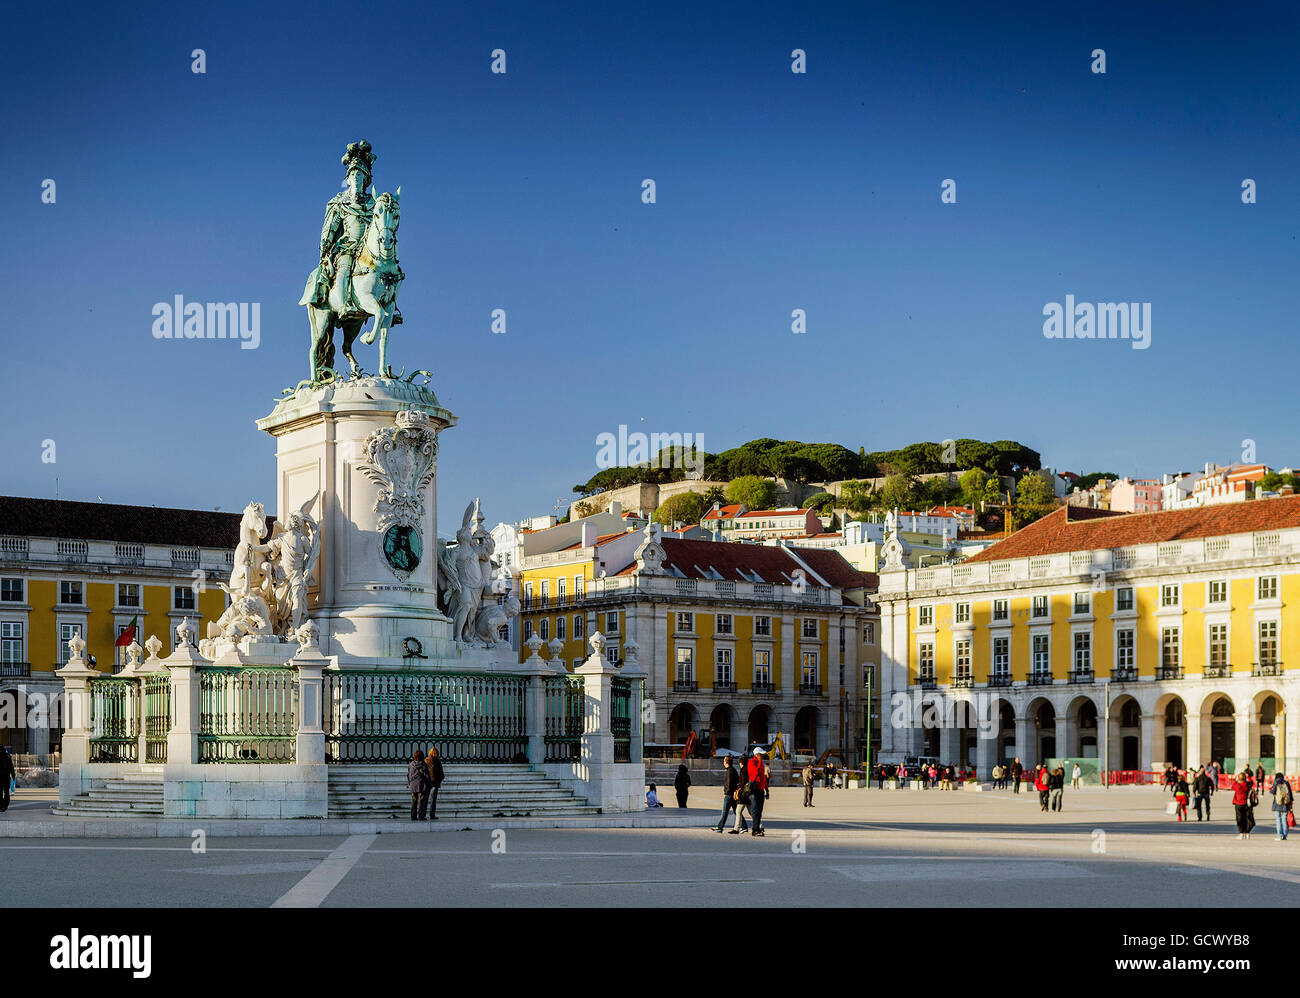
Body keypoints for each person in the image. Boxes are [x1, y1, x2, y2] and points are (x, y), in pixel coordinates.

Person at [715, 756, 742, 832]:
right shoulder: (731, 770)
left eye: (724, 761)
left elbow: (729, 783)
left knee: (724, 812)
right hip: (732, 794)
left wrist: (726, 792)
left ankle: (720, 827)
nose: (723, 762)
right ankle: (744, 826)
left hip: (729, 795)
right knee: (737, 811)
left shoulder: (730, 771)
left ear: (726, 762)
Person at [747, 748, 769, 836]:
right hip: (754, 789)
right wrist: (759, 762)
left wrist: (767, 789)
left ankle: (757, 828)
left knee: (759, 811)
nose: (762, 756)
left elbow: (763, 778)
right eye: (761, 754)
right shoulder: (751, 762)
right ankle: (754, 830)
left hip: (760, 790)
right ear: (756, 755)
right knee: (755, 810)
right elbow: (755, 773)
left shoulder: (761, 763)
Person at [407, 748, 431, 821]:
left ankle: (413, 816)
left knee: (414, 801)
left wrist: (409, 783)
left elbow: (408, 775)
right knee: (421, 802)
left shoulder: (411, 765)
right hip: (421, 785)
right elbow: (427, 776)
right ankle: (421, 816)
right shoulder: (424, 765)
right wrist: (429, 784)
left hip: (413, 786)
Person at [1271, 771, 1293, 841]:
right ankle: (1285, 835)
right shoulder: (1286, 783)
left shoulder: (1276, 782)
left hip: (1278, 803)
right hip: (1286, 803)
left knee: (1278, 819)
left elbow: (1272, 792)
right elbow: (1290, 794)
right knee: (1284, 819)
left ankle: (1279, 835)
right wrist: (1291, 802)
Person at [1232, 772, 1254, 839]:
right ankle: (1247, 832)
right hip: (1247, 803)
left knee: (1240, 819)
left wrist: (1235, 780)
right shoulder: (1247, 785)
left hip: (1238, 803)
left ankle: (1241, 833)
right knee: (1247, 818)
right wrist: (1248, 777)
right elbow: (1252, 782)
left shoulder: (1237, 785)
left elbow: (1233, 786)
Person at [425, 746, 445, 820]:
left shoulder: (426, 760)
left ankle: (422, 814)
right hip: (435, 783)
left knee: (425, 799)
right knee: (433, 800)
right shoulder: (438, 761)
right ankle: (432, 815)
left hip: (427, 783)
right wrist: (439, 780)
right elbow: (442, 774)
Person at [0, 746, 13, 813]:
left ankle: (2, 805)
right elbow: (11, 766)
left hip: (1, 778)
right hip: (6, 777)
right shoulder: (7, 756)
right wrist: (13, 775)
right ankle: (4, 805)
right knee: (6, 792)